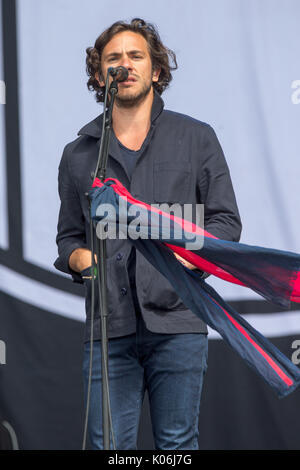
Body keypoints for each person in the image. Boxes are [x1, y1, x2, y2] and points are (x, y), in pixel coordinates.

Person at [54, 18, 242, 450]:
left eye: (136, 56)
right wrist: (81, 260)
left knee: (176, 446)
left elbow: (226, 222)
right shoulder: (79, 152)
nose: (125, 65)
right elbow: (68, 238)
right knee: (110, 449)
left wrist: (187, 256)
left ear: (156, 70)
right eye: (113, 59)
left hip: (177, 323)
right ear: (101, 75)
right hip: (108, 327)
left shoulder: (196, 137)